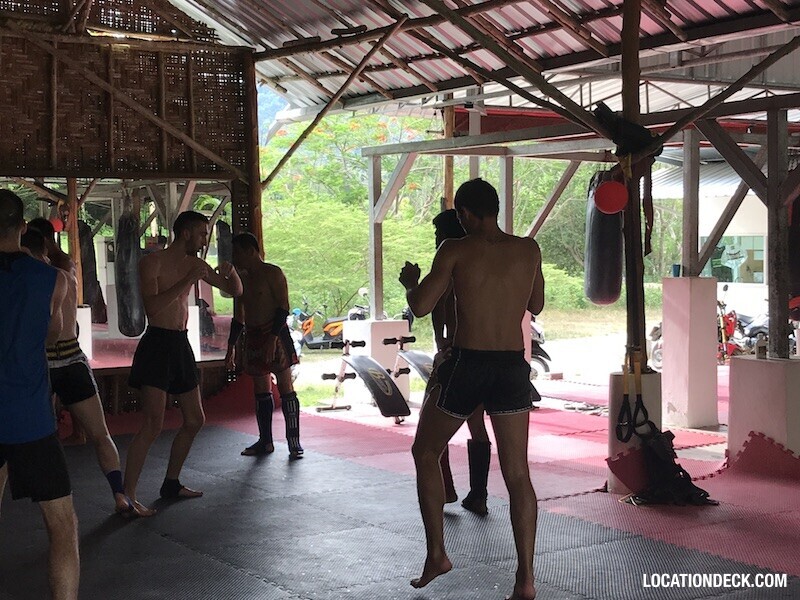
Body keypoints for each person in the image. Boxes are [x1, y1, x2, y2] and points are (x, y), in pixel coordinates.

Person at [399, 178, 544, 600]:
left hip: (469, 362)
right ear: (495, 209)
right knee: (519, 474)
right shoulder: (528, 249)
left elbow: (422, 305)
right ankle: (526, 581)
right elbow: (535, 305)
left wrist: (411, 281)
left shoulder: (454, 249)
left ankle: (437, 554)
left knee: (425, 452)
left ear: (463, 214)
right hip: (511, 365)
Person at [124, 211, 242, 512]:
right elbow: (152, 307)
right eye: (202, 233)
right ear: (186, 233)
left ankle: (171, 482)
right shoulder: (153, 262)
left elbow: (234, 291)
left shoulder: (197, 265)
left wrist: (232, 273)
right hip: (157, 342)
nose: (205, 240)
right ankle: (127, 496)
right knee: (152, 424)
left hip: (180, 342)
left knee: (195, 419)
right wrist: (188, 280)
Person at [27, 218, 144, 517]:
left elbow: (45, 328)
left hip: (45, 362)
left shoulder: (34, 277)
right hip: (74, 359)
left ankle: (51, 498)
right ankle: (119, 494)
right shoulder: (68, 272)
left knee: (40, 436)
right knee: (100, 434)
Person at [0, 190, 79, 600]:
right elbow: (49, 334)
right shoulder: (52, 280)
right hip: (29, 416)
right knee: (61, 525)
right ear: (22, 227)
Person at [430, 209, 493, 516]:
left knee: (430, 432)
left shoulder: (449, 258)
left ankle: (444, 488)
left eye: (436, 235)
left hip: (458, 354)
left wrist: (441, 343)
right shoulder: (482, 260)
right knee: (477, 423)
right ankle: (478, 494)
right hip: (486, 354)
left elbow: (432, 305)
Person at [225, 232, 304, 459]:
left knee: (286, 386)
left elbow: (283, 307)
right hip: (253, 334)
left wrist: (272, 339)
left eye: (237, 252)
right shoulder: (241, 279)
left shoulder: (273, 273)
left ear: (250, 251)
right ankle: (265, 441)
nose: (235, 257)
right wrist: (231, 346)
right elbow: (238, 317)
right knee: (261, 389)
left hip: (275, 332)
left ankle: (294, 441)